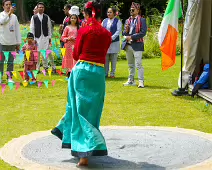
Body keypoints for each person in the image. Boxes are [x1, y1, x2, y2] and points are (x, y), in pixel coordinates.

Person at [51, 0, 111, 166]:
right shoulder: (106, 34)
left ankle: (83, 151)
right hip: (98, 73)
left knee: (77, 110)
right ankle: (87, 146)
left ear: (85, 14)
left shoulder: (84, 31)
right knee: (93, 111)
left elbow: (76, 53)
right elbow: (104, 53)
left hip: (82, 71)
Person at [122, 2, 147, 88]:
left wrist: (131, 37)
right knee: (130, 64)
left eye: (133, 9)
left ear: (138, 10)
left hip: (137, 45)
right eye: (130, 9)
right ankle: (131, 80)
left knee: (138, 64)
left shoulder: (142, 20)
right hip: (128, 45)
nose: (131, 11)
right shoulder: (127, 20)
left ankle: (141, 81)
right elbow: (124, 32)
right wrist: (126, 31)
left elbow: (143, 32)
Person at [30, 2, 56, 73]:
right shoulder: (34, 17)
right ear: (37, 8)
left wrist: (49, 37)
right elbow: (32, 28)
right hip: (37, 38)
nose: (41, 8)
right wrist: (33, 38)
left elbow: (49, 27)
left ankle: (48, 67)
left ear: (44, 9)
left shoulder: (46, 17)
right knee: (37, 54)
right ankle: (37, 69)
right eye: (39, 7)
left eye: (42, 7)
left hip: (45, 37)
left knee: (47, 53)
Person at [0, 0, 21, 84]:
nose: (8, 6)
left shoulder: (14, 17)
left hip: (12, 42)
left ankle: (9, 77)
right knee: (1, 61)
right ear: (3, 6)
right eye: (6, 5)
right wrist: (9, 14)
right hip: (2, 41)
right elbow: (2, 21)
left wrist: (18, 43)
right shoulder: (1, 15)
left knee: (10, 61)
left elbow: (17, 30)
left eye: (10, 4)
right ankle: (0, 77)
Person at [102, 7, 122, 78]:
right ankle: (105, 73)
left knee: (113, 59)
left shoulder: (118, 21)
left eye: (110, 12)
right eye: (108, 12)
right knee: (106, 59)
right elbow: (102, 30)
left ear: (114, 13)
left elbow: (118, 31)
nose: (109, 14)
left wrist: (111, 38)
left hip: (114, 43)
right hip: (106, 43)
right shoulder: (104, 21)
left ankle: (112, 73)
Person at [61, 7, 79, 76]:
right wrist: (68, 38)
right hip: (68, 45)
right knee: (68, 59)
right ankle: (68, 72)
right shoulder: (67, 27)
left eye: (74, 18)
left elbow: (81, 37)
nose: (73, 19)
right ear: (70, 19)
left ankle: (75, 71)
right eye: (72, 18)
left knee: (75, 58)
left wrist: (76, 39)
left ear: (77, 19)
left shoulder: (79, 27)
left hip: (76, 45)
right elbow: (62, 37)